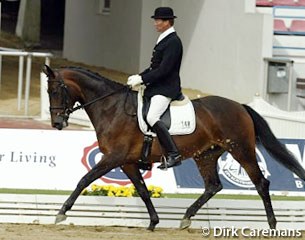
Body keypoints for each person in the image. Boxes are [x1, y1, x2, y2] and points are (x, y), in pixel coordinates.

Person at [127, 7, 183, 169]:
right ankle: (145, 156)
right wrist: (139, 77)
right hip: (156, 86)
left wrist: (143, 79)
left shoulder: (173, 41)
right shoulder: (164, 38)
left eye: (158, 20)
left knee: (152, 117)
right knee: (138, 114)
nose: (155, 23)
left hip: (166, 88)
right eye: (156, 20)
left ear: (167, 22)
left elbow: (164, 70)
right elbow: (154, 67)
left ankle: (174, 154)